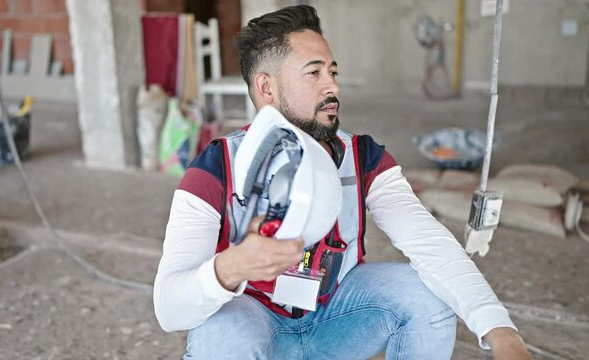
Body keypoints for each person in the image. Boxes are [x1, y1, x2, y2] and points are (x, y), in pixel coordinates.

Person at [153, 5, 532, 359]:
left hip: (335, 320)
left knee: (428, 298)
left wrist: (501, 332)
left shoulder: (363, 156)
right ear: (266, 88)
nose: (332, 87)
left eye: (332, 72)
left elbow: (429, 243)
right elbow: (170, 309)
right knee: (222, 335)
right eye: (313, 73)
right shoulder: (215, 168)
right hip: (255, 325)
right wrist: (230, 268)